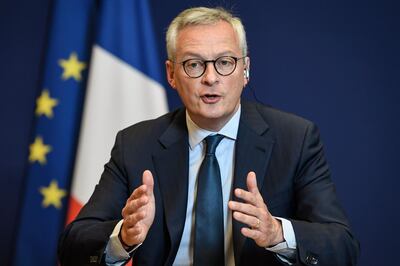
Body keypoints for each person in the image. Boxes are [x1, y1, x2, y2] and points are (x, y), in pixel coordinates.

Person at [58, 6, 359, 266]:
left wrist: (277, 234)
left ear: (245, 70)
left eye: (225, 62)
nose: (211, 78)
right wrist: (123, 236)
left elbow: (342, 246)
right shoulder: (136, 144)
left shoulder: (295, 139)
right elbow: (73, 245)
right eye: (194, 64)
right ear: (171, 74)